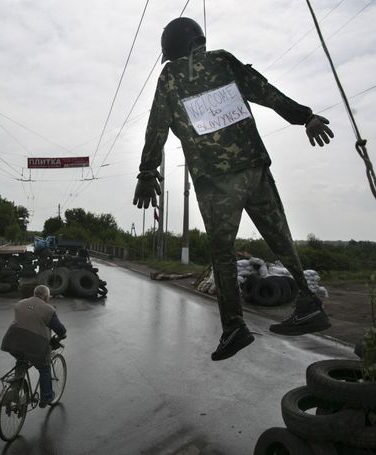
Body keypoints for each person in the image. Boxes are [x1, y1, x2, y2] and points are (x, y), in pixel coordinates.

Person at [133, 17, 335, 362]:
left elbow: (157, 127)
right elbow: (264, 90)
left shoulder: (170, 77)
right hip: (255, 168)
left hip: (216, 180)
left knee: (223, 253)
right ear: (199, 39)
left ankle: (234, 327)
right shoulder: (224, 60)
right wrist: (306, 117)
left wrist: (147, 172)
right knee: (280, 237)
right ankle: (309, 303)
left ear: (171, 49)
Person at [1, 284, 67, 407]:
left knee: (21, 361)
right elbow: (61, 330)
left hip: (12, 341)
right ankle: (46, 397)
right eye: (49, 297)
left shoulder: (20, 304)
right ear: (46, 296)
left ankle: (15, 390)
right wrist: (62, 336)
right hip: (35, 346)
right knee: (44, 368)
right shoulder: (49, 310)